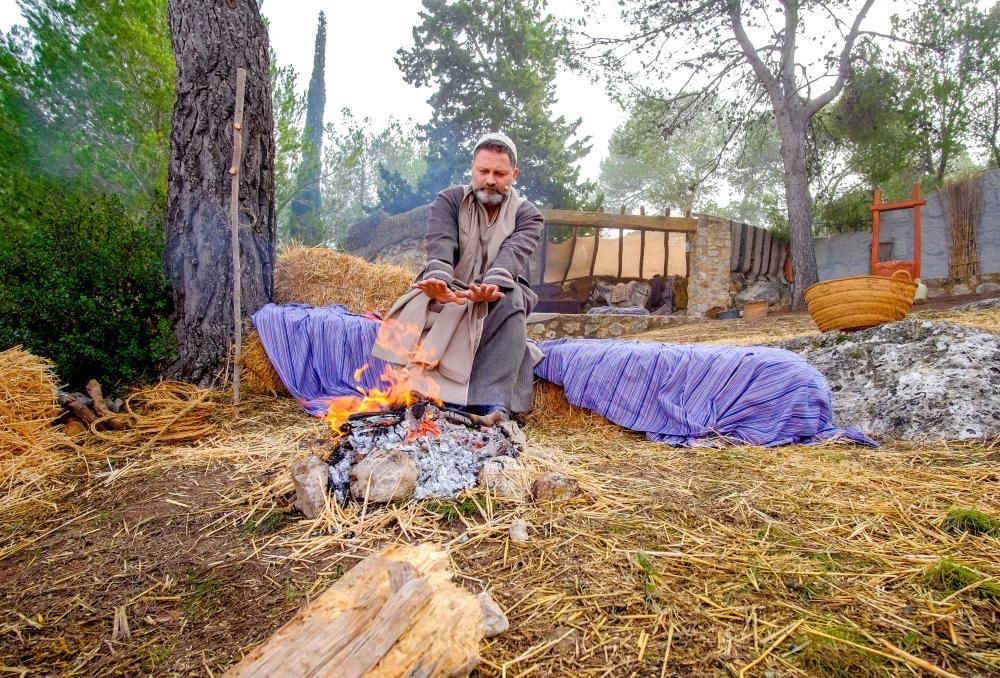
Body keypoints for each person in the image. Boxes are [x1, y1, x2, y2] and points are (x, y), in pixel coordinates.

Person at [371, 132, 544, 422]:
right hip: (449, 286)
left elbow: (514, 253)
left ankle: (492, 405)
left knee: (510, 300)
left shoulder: (528, 214)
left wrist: (493, 284)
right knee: (422, 303)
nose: (490, 179)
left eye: (499, 173)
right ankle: (418, 395)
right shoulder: (449, 200)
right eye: (483, 171)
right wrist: (439, 281)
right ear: (472, 170)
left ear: (514, 175)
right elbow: (440, 243)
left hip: (499, 288)